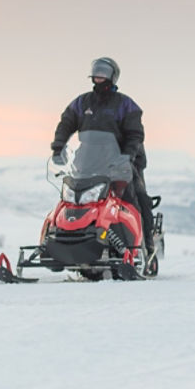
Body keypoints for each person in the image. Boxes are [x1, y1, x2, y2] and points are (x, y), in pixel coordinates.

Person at [50, 57, 154, 253]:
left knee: (139, 200)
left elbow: (135, 134)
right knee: (75, 200)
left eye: (103, 73)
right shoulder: (82, 102)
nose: (99, 77)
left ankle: (146, 248)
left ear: (113, 76)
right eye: (96, 72)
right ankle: (67, 242)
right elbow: (66, 123)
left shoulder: (126, 104)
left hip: (122, 162)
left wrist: (128, 155)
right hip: (87, 161)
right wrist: (58, 147)